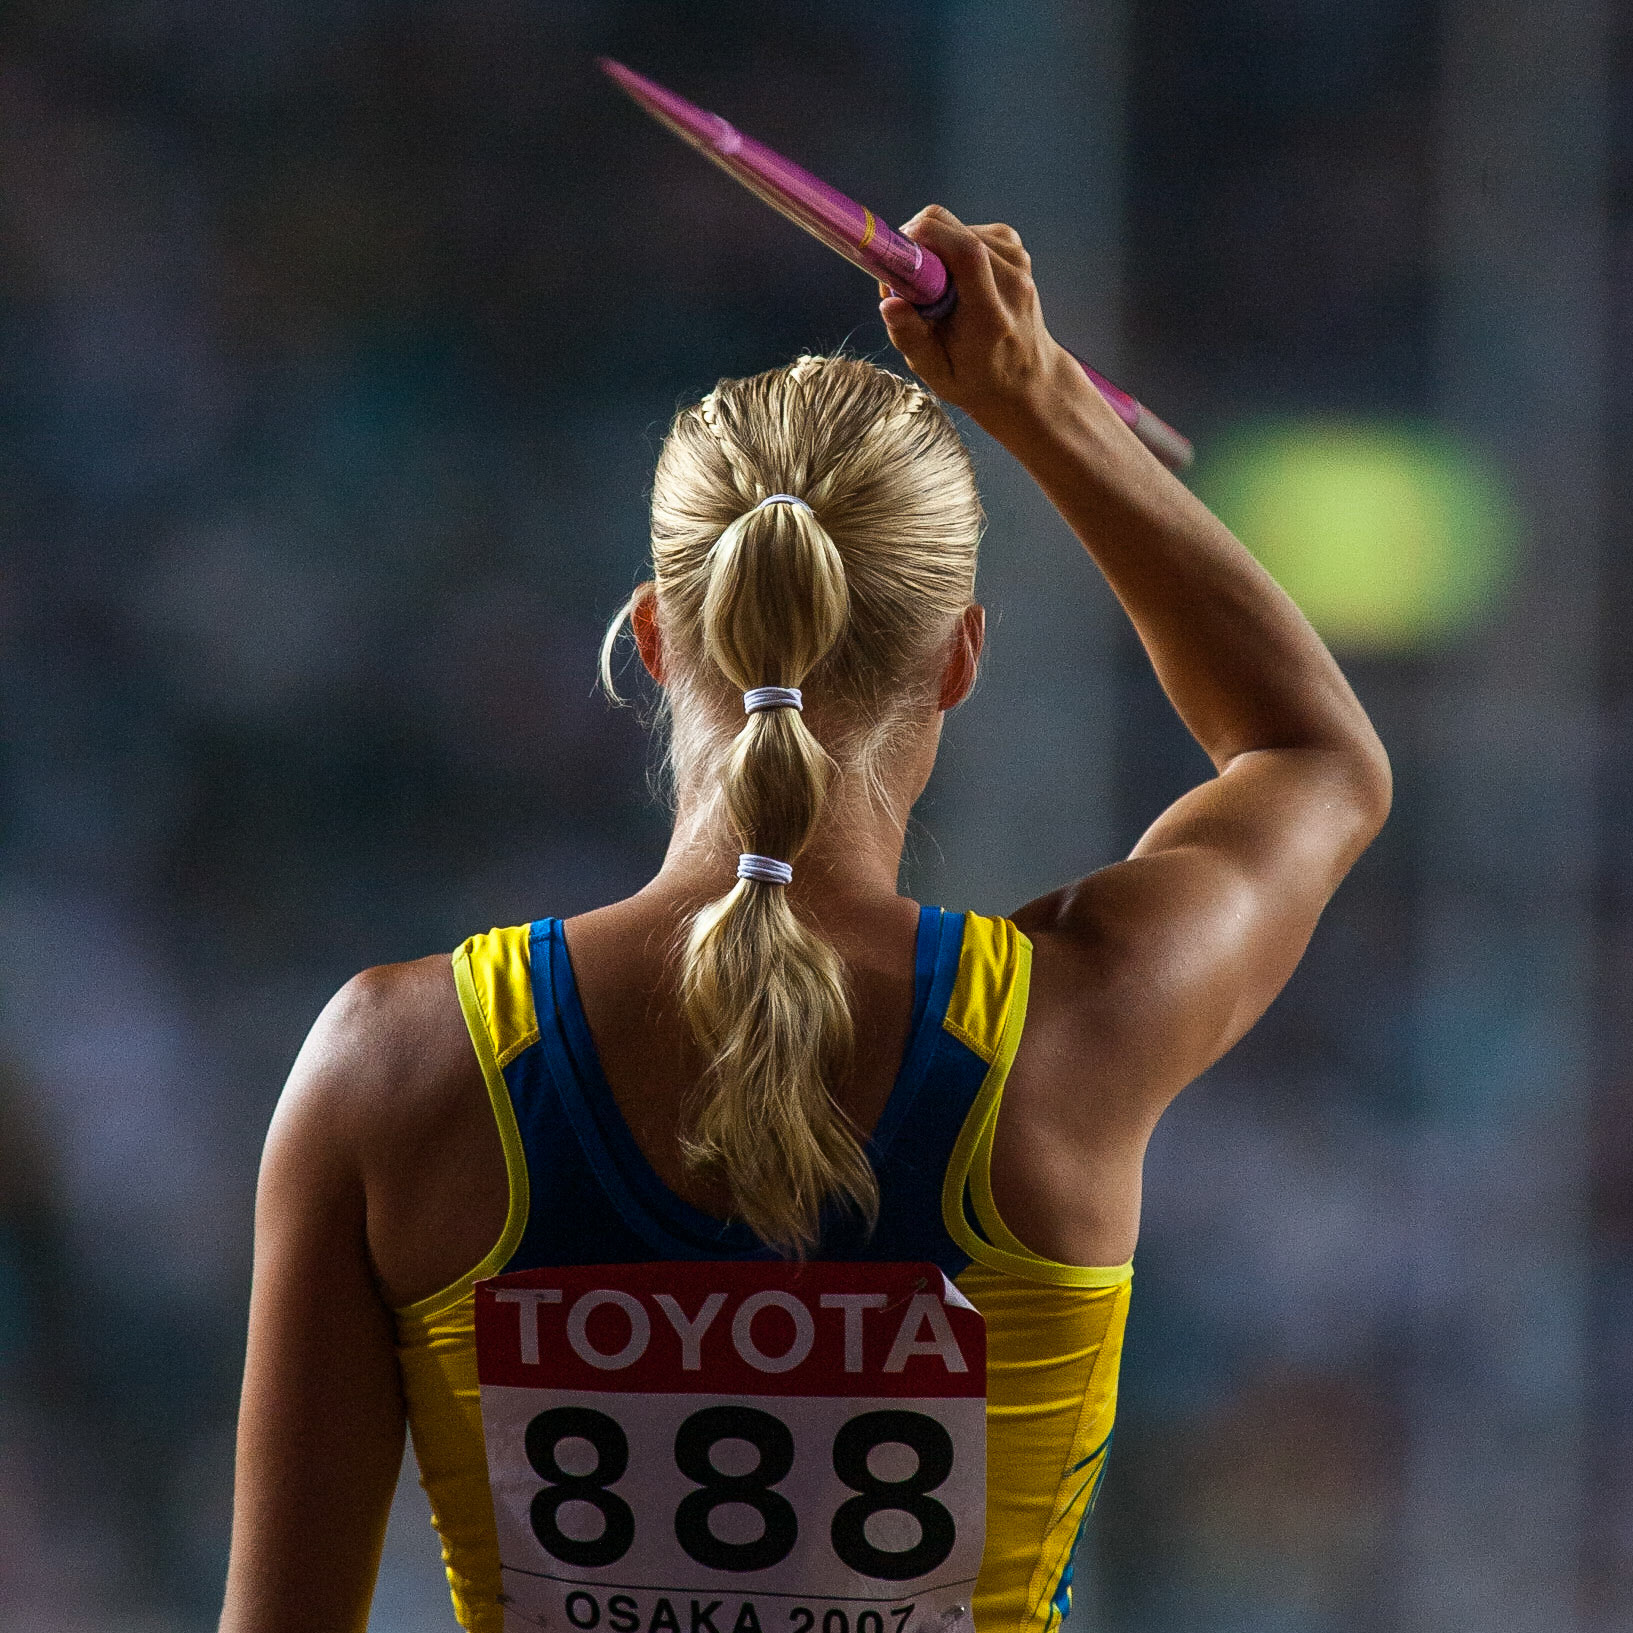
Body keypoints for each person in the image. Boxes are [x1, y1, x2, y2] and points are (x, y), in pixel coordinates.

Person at [220, 207, 1391, 1633]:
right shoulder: (1068, 1035)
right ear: (957, 657)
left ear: (654, 636)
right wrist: (1041, 407)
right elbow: (1313, 758)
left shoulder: (388, 1070)